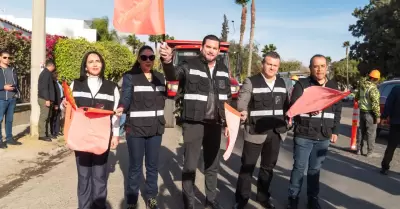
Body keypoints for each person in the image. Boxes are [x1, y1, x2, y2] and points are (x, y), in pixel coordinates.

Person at [159, 35, 232, 209]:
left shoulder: (223, 69)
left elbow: (228, 98)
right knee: (190, 166)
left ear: (218, 50)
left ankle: (210, 200)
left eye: (215, 48)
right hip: (194, 123)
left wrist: (229, 122)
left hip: (215, 124)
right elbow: (173, 75)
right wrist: (167, 60)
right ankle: (189, 202)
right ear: (202, 47)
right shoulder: (189, 64)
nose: (211, 50)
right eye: (209, 47)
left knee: (212, 166)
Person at [62, 51, 120, 209]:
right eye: (91, 61)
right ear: (85, 66)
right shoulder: (76, 84)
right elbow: (68, 105)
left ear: (102, 64)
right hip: (81, 137)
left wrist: (115, 135)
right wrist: (63, 105)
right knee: (83, 176)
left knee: (100, 177)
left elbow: (115, 114)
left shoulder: (112, 87)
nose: (95, 64)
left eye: (98, 61)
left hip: (102, 138)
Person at [233, 52, 289, 209]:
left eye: (275, 65)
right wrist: (242, 111)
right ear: (263, 64)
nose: (272, 67)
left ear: (278, 67)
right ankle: (242, 198)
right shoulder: (251, 82)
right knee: (247, 167)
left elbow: (287, 106)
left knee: (268, 168)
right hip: (255, 133)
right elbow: (242, 102)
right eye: (269, 64)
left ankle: (263, 197)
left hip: (276, 132)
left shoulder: (282, 83)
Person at [286, 54, 342, 209]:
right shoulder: (302, 84)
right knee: (299, 167)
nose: (319, 69)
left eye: (322, 66)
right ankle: (293, 197)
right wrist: (308, 108)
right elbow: (294, 106)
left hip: (323, 136)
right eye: (316, 66)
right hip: (304, 134)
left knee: (314, 170)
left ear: (326, 67)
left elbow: (337, 110)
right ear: (310, 68)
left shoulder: (333, 86)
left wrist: (335, 130)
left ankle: (312, 199)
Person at [115, 45, 166, 209]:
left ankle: (151, 197)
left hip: (155, 129)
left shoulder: (160, 77)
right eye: (144, 57)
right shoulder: (131, 76)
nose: (148, 60)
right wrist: (122, 106)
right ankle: (131, 199)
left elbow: (171, 94)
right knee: (135, 167)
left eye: (151, 57)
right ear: (139, 59)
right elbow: (127, 95)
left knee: (152, 166)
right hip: (136, 129)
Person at [354, 69, 381, 157]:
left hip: (362, 112)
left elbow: (356, 97)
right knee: (371, 133)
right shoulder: (373, 89)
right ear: (376, 79)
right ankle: (370, 152)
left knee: (361, 131)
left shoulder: (362, 87)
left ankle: (358, 149)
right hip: (370, 114)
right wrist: (377, 116)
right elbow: (375, 104)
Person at [0, 50, 21, 148]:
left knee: (9, 120)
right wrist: (3, 87)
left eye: (9, 58)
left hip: (12, 98)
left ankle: (9, 138)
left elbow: (17, 83)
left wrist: (17, 93)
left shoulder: (12, 70)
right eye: (5, 57)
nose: (7, 59)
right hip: (1, 98)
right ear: (0, 58)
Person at [380, 85, 400, 175]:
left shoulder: (396, 89)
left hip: (396, 122)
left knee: (391, 146)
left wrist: (384, 116)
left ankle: (385, 166)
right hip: (395, 121)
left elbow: (389, 104)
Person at [38, 60, 57, 141]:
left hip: (47, 99)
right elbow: (44, 88)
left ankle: (47, 133)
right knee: (44, 117)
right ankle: (42, 135)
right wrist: (47, 99)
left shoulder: (47, 73)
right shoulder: (46, 73)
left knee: (48, 117)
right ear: (52, 66)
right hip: (44, 99)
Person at [50, 71, 63, 137]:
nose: (59, 76)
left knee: (58, 117)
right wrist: (56, 104)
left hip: (60, 101)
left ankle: (57, 131)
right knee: (54, 117)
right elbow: (55, 95)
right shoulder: (54, 84)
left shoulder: (58, 83)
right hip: (56, 102)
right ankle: (53, 132)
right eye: (57, 75)